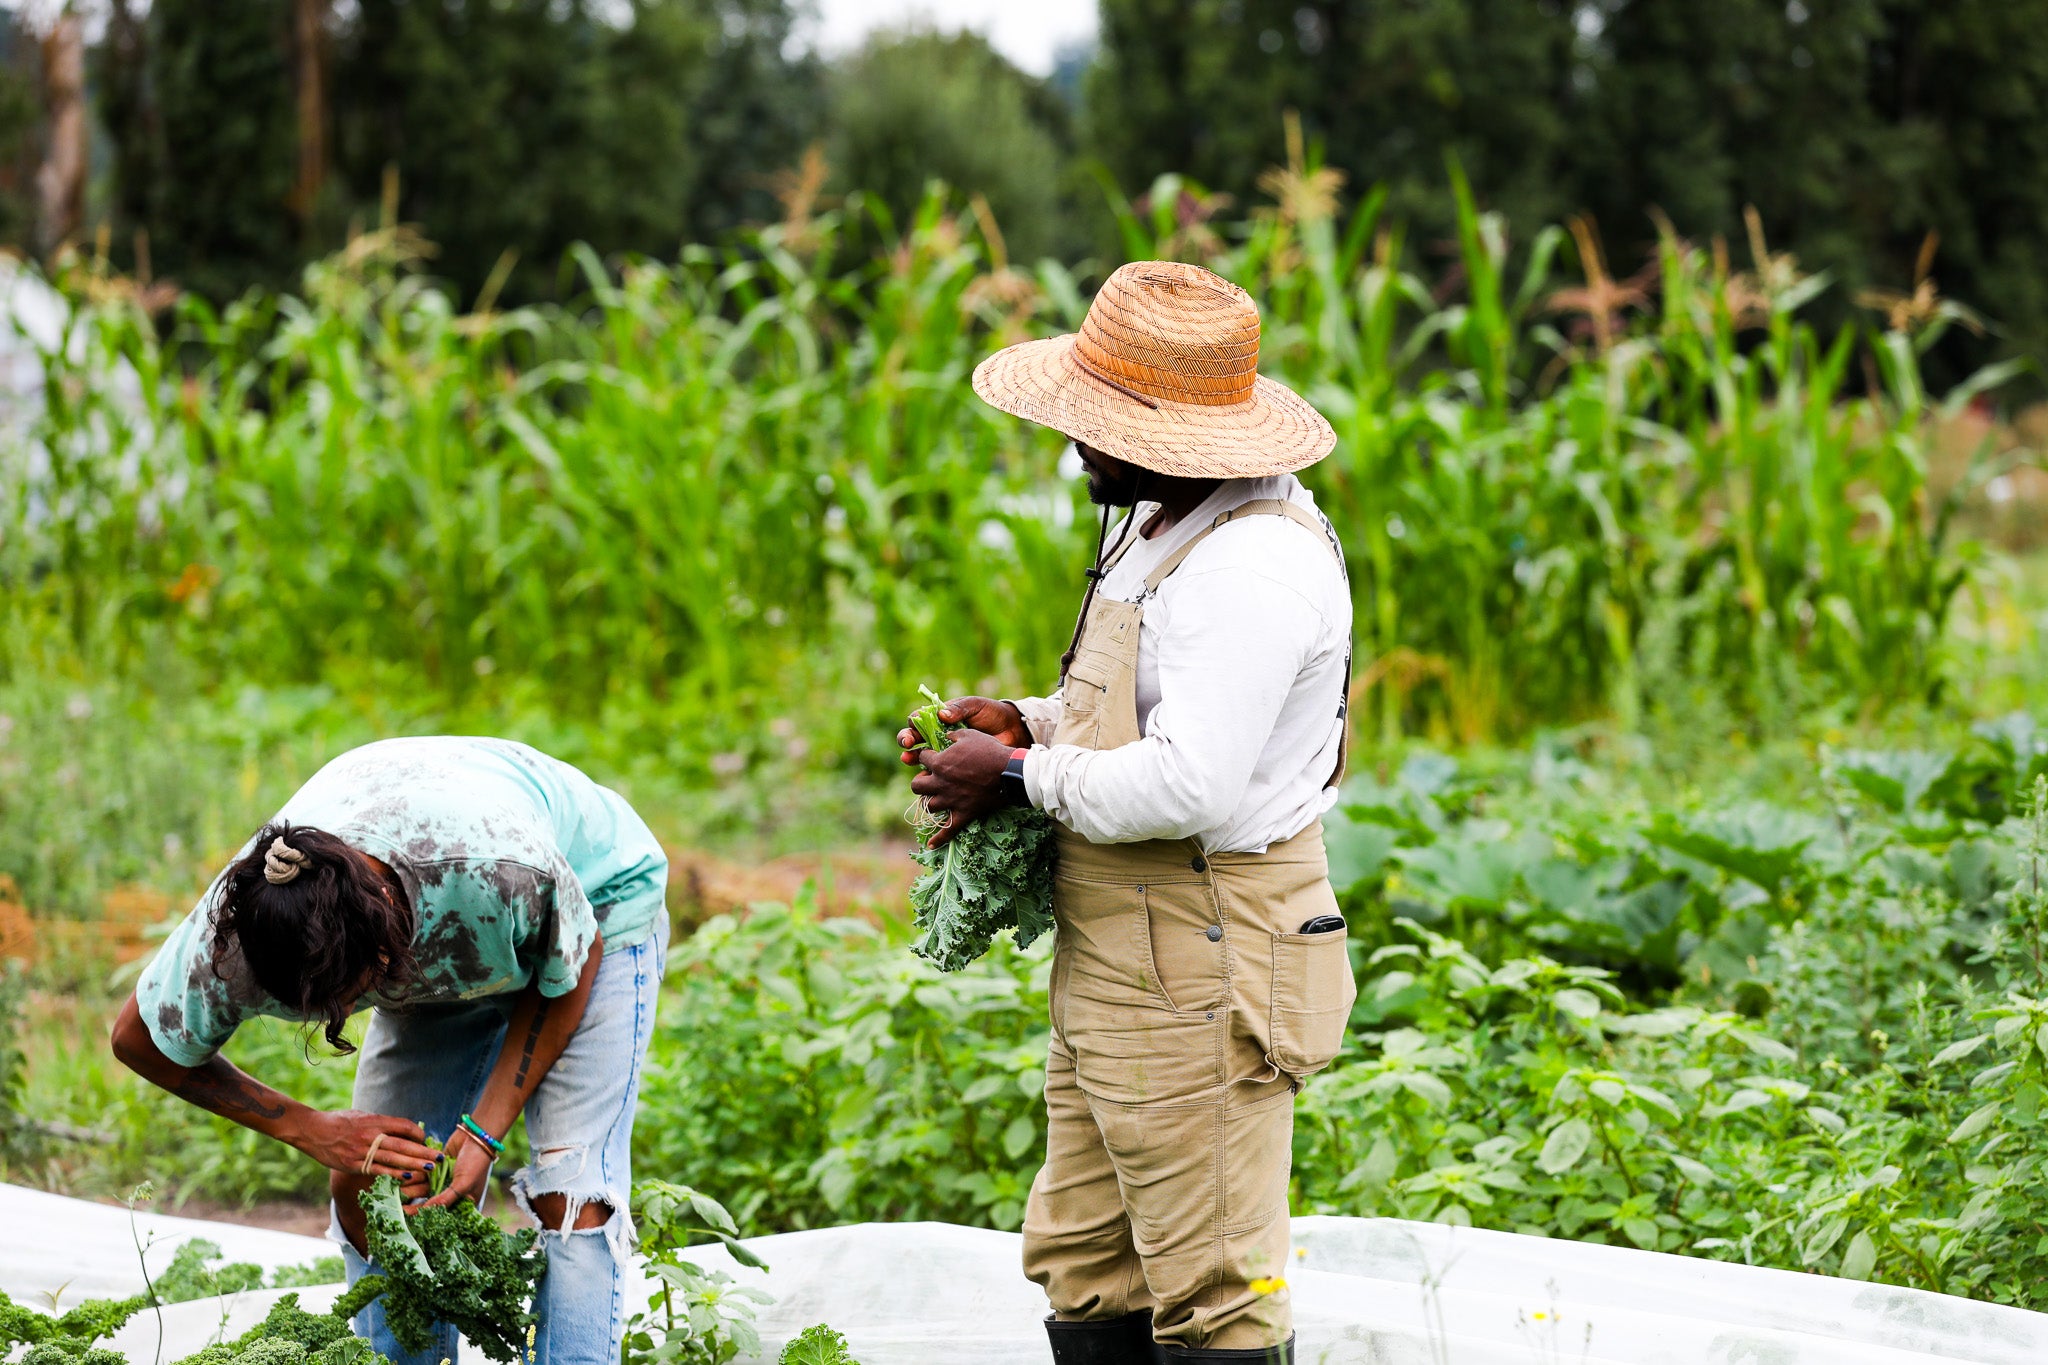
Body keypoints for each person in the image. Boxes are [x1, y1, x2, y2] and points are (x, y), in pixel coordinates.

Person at [901, 260, 1357, 1364]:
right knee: (1086, 1256)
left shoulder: (1250, 570)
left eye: (1096, 426)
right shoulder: (1161, 521)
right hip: (1125, 939)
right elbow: (1142, 707)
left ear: (1168, 438)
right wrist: (1026, 720)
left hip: (1202, 944)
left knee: (1212, 1282)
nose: (1076, 447)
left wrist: (1007, 780)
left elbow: (1187, 785)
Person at [109, 736, 670, 1365]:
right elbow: (138, 1040)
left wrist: (485, 1132)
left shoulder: (497, 872)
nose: (342, 1017)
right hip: (449, 924)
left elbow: (574, 959)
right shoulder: (239, 938)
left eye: (349, 996)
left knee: (572, 1189)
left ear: (386, 944)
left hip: (596, 906)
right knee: (377, 1185)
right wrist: (311, 1128)